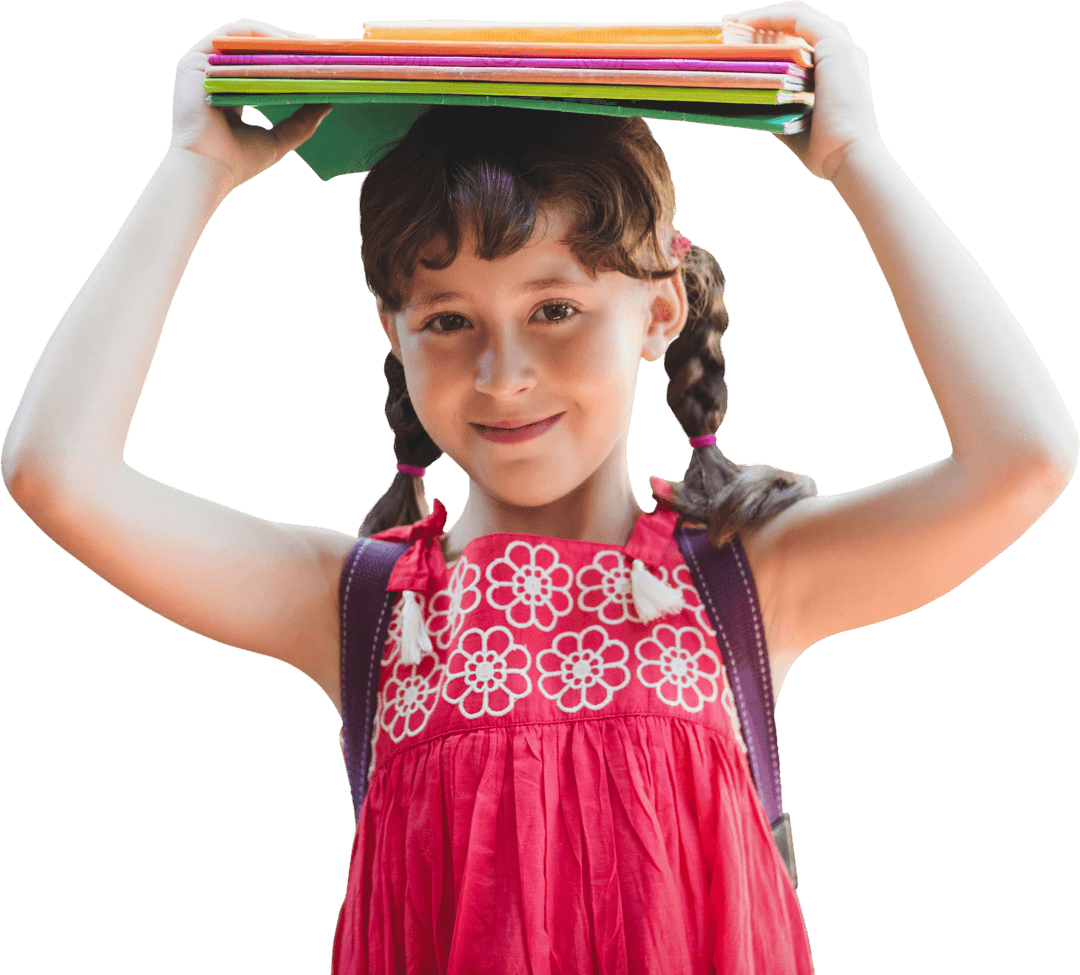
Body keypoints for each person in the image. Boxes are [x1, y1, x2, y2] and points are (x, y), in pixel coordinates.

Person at [2, 3, 1075, 973]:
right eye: (448, 320)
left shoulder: (747, 584)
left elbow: (1024, 456)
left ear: (658, 312)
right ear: (395, 333)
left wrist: (856, 155)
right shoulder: (361, 610)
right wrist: (194, 167)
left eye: (555, 309)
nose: (503, 373)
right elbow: (56, 472)